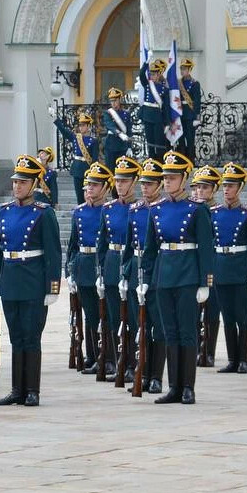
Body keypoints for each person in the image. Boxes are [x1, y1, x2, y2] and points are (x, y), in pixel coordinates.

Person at [140, 150, 213, 404]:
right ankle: (174, 387)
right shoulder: (157, 209)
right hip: (164, 274)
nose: (168, 181)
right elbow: (150, 249)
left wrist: (205, 282)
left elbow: (206, 248)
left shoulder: (197, 209)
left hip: (187, 275)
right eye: (165, 178)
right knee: (169, 332)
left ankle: (188, 386)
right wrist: (146, 279)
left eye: (172, 177)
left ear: (184, 179)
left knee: (187, 332)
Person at [0, 154, 63, 406]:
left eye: (23, 182)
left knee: (31, 337)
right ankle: (16, 389)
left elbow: (53, 253)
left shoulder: (43, 213)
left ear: (34, 185)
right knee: (15, 337)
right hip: (10, 281)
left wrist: (52, 287)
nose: (17, 186)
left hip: (33, 282)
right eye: (15, 182)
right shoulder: (4, 211)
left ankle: (32, 389)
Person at [121, 157, 166, 394]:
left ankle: (156, 376)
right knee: (140, 325)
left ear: (159, 185)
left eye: (150, 184)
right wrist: (124, 274)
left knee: (157, 327)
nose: (145, 188)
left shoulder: (163, 210)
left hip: (158, 270)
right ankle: (143, 372)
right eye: (143, 184)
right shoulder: (135, 210)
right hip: (137, 272)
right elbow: (129, 247)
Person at [211, 163, 247, 374]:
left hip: (240, 268)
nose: (227, 190)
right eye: (225, 186)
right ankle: (232, 359)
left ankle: (244, 360)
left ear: (240, 188)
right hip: (221, 268)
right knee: (227, 318)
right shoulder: (214, 213)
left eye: (231, 186)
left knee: (243, 318)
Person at [97, 155, 142, 382]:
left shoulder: (141, 208)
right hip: (112, 264)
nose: (120, 185)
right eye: (117, 181)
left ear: (135, 182)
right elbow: (102, 244)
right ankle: (117, 362)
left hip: (132, 266)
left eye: (125, 181)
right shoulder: (108, 208)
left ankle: (134, 364)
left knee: (133, 320)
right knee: (114, 319)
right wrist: (100, 273)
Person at [66, 162, 112, 375]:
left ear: (105, 187)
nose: (90, 189)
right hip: (83, 266)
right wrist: (70, 270)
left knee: (106, 316)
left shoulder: (109, 211)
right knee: (89, 314)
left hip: (100, 265)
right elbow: (73, 244)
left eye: (94, 185)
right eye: (87, 186)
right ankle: (92, 354)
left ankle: (109, 356)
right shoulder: (79, 212)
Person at [190, 165, 222, 366]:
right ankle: (196, 348)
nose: (199, 191)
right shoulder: (191, 211)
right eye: (197, 188)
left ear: (213, 190)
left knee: (212, 310)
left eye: (204, 188)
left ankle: (209, 350)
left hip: (216, 265)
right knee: (194, 310)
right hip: (196, 265)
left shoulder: (218, 212)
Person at [53, 112, 99, 204]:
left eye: (83, 125)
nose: (81, 127)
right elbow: (64, 131)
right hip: (77, 169)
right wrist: (55, 119)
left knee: (88, 195)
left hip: (87, 170)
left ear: (88, 126)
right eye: (80, 125)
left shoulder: (93, 141)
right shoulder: (76, 138)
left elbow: (94, 159)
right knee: (79, 195)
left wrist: (93, 171)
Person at [138, 58, 167, 160]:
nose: (152, 76)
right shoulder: (147, 85)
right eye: (151, 74)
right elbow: (141, 74)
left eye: (154, 74)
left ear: (159, 74)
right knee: (150, 142)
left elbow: (166, 108)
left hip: (157, 117)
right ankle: (151, 162)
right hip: (147, 115)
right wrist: (146, 63)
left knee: (158, 142)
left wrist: (167, 123)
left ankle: (159, 162)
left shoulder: (164, 88)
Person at [178, 58, 203, 164]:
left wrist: (197, 116)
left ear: (189, 70)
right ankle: (182, 159)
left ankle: (190, 160)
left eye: (184, 69)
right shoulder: (179, 83)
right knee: (181, 138)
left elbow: (197, 101)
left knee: (190, 138)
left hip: (189, 114)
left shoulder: (195, 83)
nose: (182, 71)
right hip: (180, 114)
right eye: (181, 69)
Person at [103, 88, 133, 169]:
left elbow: (129, 131)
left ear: (120, 100)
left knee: (122, 171)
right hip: (111, 146)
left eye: (115, 100)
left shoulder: (126, 114)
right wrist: (119, 134)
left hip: (122, 146)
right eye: (111, 101)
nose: (113, 103)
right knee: (110, 170)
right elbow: (110, 125)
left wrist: (129, 147)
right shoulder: (108, 113)